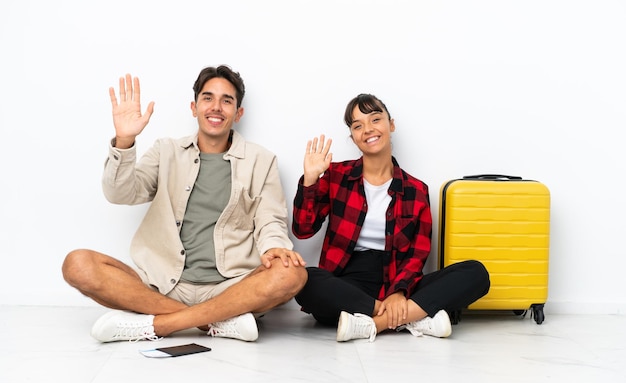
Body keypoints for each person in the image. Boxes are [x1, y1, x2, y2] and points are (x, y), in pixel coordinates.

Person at [62, 65, 307, 343]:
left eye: (227, 101)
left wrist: (275, 247)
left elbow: (270, 220)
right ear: (194, 107)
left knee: (293, 275)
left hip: (231, 287)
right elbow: (121, 193)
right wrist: (125, 141)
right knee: (77, 264)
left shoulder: (261, 161)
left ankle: (159, 325)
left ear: (238, 113)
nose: (216, 107)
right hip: (161, 285)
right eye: (208, 98)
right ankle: (214, 322)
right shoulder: (166, 150)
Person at [291, 93, 490, 342]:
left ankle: (374, 324)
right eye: (357, 125)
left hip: (399, 278)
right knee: (306, 280)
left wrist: (398, 292)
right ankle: (409, 318)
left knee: (476, 273)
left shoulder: (416, 190)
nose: (368, 129)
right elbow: (303, 229)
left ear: (391, 124)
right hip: (349, 283)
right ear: (352, 137)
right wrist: (310, 180)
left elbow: (417, 254)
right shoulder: (336, 176)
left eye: (375, 119)